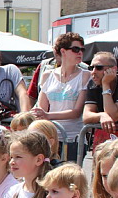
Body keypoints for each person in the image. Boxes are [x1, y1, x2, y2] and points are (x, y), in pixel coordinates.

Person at [31, 32, 89, 160]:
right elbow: (42, 109)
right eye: (75, 49)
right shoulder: (47, 75)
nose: (80, 53)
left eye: (82, 50)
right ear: (63, 51)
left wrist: (48, 115)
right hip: (50, 137)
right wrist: (42, 115)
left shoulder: (85, 75)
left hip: (73, 138)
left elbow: (76, 112)